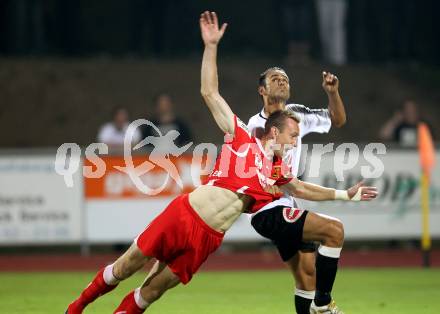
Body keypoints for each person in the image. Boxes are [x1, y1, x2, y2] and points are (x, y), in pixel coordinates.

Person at [66, 12, 377, 314]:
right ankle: (76, 308)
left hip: (208, 239)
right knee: (126, 266)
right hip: (184, 215)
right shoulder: (241, 133)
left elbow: (298, 187)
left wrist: (344, 195)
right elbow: (209, 92)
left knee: (152, 291)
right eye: (293, 134)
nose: (297, 140)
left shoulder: (276, 176)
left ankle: (317, 302)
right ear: (273, 130)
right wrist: (211, 46)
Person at [247, 66, 346, 314]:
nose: (282, 81)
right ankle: (323, 305)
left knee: (306, 275)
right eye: (275, 79)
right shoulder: (255, 125)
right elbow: (260, 164)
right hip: (268, 206)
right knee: (332, 232)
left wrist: (332, 93)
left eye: (285, 79)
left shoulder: (297, 114)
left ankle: (316, 304)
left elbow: (338, 120)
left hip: (287, 203)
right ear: (262, 90)